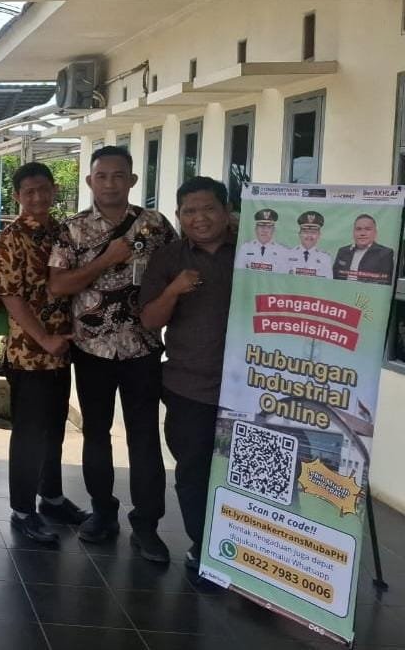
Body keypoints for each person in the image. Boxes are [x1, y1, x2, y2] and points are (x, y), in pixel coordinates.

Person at [48, 145, 177, 562]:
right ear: (90, 181)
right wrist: (106, 260)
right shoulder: (72, 229)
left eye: (119, 175)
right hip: (92, 349)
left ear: (133, 180)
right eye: (101, 176)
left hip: (142, 347)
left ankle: (147, 525)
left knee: (145, 437)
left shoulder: (156, 225)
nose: (110, 184)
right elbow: (58, 285)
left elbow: (177, 271)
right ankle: (103, 512)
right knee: (96, 433)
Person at [139, 176, 235, 570]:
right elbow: (149, 320)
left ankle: (247, 553)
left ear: (227, 211)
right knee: (194, 472)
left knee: (243, 474)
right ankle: (203, 549)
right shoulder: (169, 258)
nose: (200, 218)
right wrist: (174, 291)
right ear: (179, 216)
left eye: (209, 208)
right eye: (190, 211)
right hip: (190, 386)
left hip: (252, 388)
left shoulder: (255, 252)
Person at [0, 162, 88, 544]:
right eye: (28, 191)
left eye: (43, 189)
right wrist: (44, 338)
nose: (37, 197)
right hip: (29, 354)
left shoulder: (63, 232)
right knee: (29, 434)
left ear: (54, 190)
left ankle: (51, 497)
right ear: (17, 196)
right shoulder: (11, 238)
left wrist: (59, 341)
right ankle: (22, 510)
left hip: (62, 350)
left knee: (54, 428)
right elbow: (10, 296)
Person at [332, 214, 394, 285]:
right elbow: (335, 278)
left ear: (375, 233)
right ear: (353, 232)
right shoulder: (343, 251)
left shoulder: (385, 253)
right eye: (358, 229)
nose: (362, 233)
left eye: (367, 229)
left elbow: (384, 283)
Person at [234, 208, 288, 272]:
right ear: (256, 229)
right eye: (261, 226)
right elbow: (239, 272)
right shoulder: (245, 248)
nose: (264, 230)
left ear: (273, 230)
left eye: (269, 227)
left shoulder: (282, 251)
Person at [284, 211, 330, 277]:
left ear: (319, 235)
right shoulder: (288, 254)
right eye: (305, 232)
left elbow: (328, 281)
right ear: (299, 234)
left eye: (313, 232)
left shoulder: (325, 258)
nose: (309, 236)